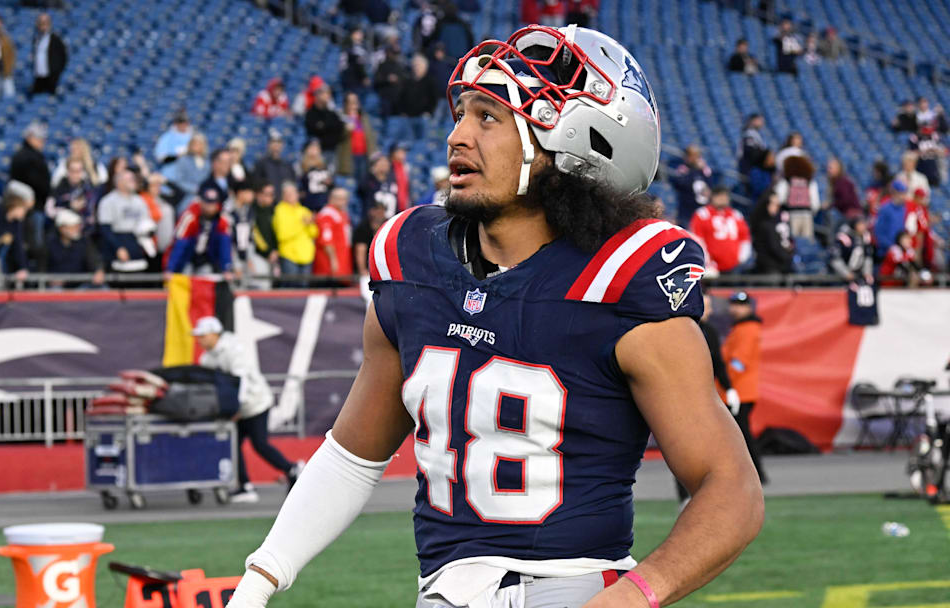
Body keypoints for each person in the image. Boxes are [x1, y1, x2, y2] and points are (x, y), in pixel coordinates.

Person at [226, 25, 761, 608]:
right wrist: (259, 580)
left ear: (575, 142)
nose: (457, 136)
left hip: (572, 589)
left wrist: (633, 598)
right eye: (462, 113)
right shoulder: (413, 262)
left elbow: (731, 489)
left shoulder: (619, 283)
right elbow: (353, 456)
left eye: (489, 117)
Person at [192, 316, 301, 503]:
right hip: (238, 408)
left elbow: (241, 380)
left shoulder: (233, 349)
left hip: (256, 403)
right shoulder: (207, 358)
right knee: (233, 444)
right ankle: (244, 486)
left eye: (202, 335)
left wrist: (236, 407)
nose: (199, 339)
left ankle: (292, 469)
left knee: (259, 444)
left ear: (213, 334)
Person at [675, 293, 740, 506]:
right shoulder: (677, 330)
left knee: (705, 445)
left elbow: (718, 362)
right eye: (707, 307)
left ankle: (705, 492)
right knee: (681, 446)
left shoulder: (709, 331)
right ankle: (685, 495)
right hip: (679, 394)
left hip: (701, 394)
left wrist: (729, 388)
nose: (710, 311)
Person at [722, 292, 767, 484]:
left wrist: (727, 384)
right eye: (733, 304)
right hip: (739, 391)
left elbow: (739, 362)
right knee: (740, 435)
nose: (735, 308)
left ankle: (756, 474)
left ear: (749, 307)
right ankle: (754, 474)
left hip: (739, 391)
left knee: (741, 436)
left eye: (740, 305)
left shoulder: (747, 329)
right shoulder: (741, 328)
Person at [165, 187, 235, 280]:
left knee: (205, 279)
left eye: (213, 204)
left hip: (207, 260)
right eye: (207, 203)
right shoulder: (190, 217)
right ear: (201, 202)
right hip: (187, 259)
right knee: (185, 278)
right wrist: (170, 268)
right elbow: (180, 244)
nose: (210, 207)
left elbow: (225, 245)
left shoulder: (222, 220)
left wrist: (226, 268)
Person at [97, 170, 155, 271]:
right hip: (118, 242)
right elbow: (105, 229)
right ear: (119, 182)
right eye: (129, 179)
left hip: (136, 243)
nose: (133, 181)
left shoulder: (139, 200)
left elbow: (146, 224)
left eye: (133, 179)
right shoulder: (108, 201)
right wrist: (118, 248)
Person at [690, 186, 753, 274]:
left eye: (725, 196)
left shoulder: (736, 214)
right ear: (713, 197)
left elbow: (745, 237)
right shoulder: (702, 214)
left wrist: (741, 258)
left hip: (734, 265)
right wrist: (706, 260)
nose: (722, 199)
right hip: (711, 266)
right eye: (719, 196)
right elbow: (698, 239)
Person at [42, 209, 105, 288]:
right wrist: (50, 280)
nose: (77, 229)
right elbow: (42, 269)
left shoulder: (84, 242)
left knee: (102, 288)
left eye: (77, 226)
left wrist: (98, 270)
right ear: (62, 228)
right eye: (73, 226)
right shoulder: (49, 244)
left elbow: (94, 259)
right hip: (57, 288)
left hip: (81, 286)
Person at [271, 181, 317, 285]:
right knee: (291, 289)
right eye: (288, 194)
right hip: (289, 255)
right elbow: (282, 235)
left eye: (293, 193)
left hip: (306, 255)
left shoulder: (304, 210)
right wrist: (302, 224)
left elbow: (314, 233)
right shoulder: (280, 210)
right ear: (283, 196)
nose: (291, 196)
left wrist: (309, 224)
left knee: (304, 289)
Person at [773, 154, 819, 239]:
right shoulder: (809, 182)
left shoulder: (787, 182)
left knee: (792, 241)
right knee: (807, 244)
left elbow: (779, 198)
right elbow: (815, 203)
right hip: (807, 216)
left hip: (791, 214)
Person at [9, 122, 52, 211]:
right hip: (30, 205)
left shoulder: (32, 155)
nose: (42, 142)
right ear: (30, 138)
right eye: (39, 139)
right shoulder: (28, 157)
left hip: (32, 204)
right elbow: (35, 182)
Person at [336, 92, 377, 184]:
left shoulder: (363, 118)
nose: (353, 105)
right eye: (350, 102)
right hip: (349, 156)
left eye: (355, 102)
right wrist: (346, 129)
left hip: (364, 155)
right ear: (345, 104)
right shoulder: (340, 117)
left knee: (363, 182)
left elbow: (370, 136)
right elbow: (336, 137)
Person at [312, 187, 352, 281]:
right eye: (341, 199)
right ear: (332, 198)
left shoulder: (341, 213)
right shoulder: (327, 214)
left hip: (342, 263)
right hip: (329, 268)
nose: (344, 202)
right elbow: (326, 241)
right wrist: (333, 261)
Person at [668, 144, 713, 227]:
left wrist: (701, 170)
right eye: (690, 155)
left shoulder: (705, 171)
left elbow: (710, 186)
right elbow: (680, 183)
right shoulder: (683, 169)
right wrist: (695, 171)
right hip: (687, 211)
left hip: (702, 210)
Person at [750, 190, 793, 275]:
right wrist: (787, 257)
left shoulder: (779, 222)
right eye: (773, 203)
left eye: (777, 204)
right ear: (766, 204)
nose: (776, 207)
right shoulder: (763, 224)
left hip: (781, 264)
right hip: (769, 267)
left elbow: (788, 240)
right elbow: (773, 247)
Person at [398, 54, 439, 141]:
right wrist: (403, 111)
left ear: (425, 67)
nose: (417, 68)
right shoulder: (407, 81)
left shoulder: (430, 81)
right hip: (409, 117)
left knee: (424, 141)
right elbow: (401, 98)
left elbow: (434, 99)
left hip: (424, 117)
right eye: (415, 65)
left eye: (419, 65)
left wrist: (429, 112)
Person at [165, 133, 210, 207]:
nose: (196, 146)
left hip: (205, 195)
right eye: (194, 143)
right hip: (187, 196)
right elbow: (179, 181)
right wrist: (195, 189)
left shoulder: (207, 161)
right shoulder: (183, 160)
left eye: (199, 144)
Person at [30, 12, 68, 96]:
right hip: (39, 74)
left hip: (51, 75)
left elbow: (63, 57)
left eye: (45, 23)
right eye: (40, 23)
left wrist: (56, 71)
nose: (43, 26)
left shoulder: (56, 39)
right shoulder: (36, 39)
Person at [250, 182, 279, 288]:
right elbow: (255, 234)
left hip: (275, 256)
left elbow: (278, 233)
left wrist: (276, 250)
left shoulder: (275, 210)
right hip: (259, 255)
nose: (271, 197)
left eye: (272, 194)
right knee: (263, 286)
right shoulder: (252, 211)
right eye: (268, 194)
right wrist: (268, 252)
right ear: (258, 194)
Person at [830, 217, 874, 284]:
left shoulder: (866, 238)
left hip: (858, 275)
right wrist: (846, 273)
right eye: (860, 224)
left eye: (864, 224)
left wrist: (867, 273)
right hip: (841, 275)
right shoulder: (843, 238)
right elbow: (835, 258)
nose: (863, 227)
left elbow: (868, 257)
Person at [304, 86, 344, 159]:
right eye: (325, 93)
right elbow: (314, 130)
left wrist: (324, 126)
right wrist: (328, 127)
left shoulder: (332, 113)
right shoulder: (311, 113)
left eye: (329, 93)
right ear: (318, 95)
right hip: (319, 152)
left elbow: (339, 128)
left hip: (333, 150)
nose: (328, 96)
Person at [737, 113, 771, 198]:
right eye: (759, 120)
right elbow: (751, 153)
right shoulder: (750, 134)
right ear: (753, 121)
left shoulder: (755, 134)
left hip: (753, 169)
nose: (762, 122)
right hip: (750, 169)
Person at [252, 130, 296, 195]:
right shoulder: (260, 164)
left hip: (284, 203)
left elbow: (292, 185)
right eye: (273, 142)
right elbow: (256, 186)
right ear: (268, 144)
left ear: (282, 145)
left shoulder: (288, 165)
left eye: (279, 142)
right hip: (268, 202)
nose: (276, 145)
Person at [874, 180, 908, 259]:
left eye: (904, 193)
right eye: (901, 193)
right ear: (895, 193)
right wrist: (890, 246)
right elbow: (878, 232)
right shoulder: (885, 208)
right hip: (885, 252)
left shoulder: (903, 208)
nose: (903, 196)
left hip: (899, 250)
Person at [358, 152, 399, 219]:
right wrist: (373, 174)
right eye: (381, 163)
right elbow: (362, 190)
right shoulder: (369, 180)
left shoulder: (392, 180)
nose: (384, 165)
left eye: (386, 163)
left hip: (390, 218)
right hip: (373, 220)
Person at [351, 201, 387, 277]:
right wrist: (362, 270)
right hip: (367, 267)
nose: (379, 214)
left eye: (382, 212)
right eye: (377, 211)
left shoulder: (387, 226)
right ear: (371, 212)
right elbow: (360, 250)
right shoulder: (363, 227)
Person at [298, 140, 333, 213]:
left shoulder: (325, 167)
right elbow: (300, 186)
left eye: (316, 149)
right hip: (308, 204)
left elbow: (331, 186)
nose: (314, 151)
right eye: (311, 148)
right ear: (306, 150)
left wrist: (329, 183)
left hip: (324, 203)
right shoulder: (301, 167)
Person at [339, 27, 370, 99]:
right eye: (358, 33)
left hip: (355, 78)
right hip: (351, 77)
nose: (361, 35)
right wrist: (364, 76)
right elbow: (356, 62)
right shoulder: (349, 46)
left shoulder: (360, 47)